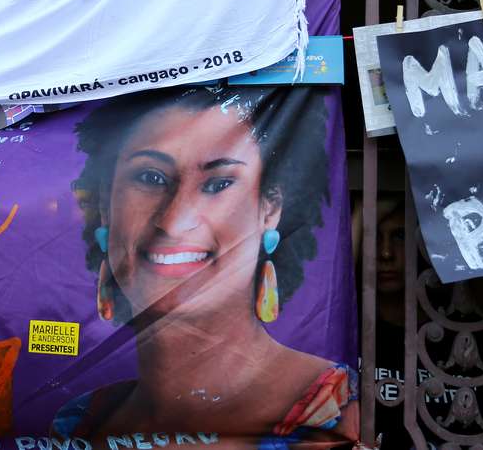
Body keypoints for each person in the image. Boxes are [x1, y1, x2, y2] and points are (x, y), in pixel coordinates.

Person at [52, 86, 358, 449]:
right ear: (106, 207)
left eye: (218, 183)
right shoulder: (79, 422)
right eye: (150, 178)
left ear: (269, 210)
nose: (175, 220)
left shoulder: (336, 411)